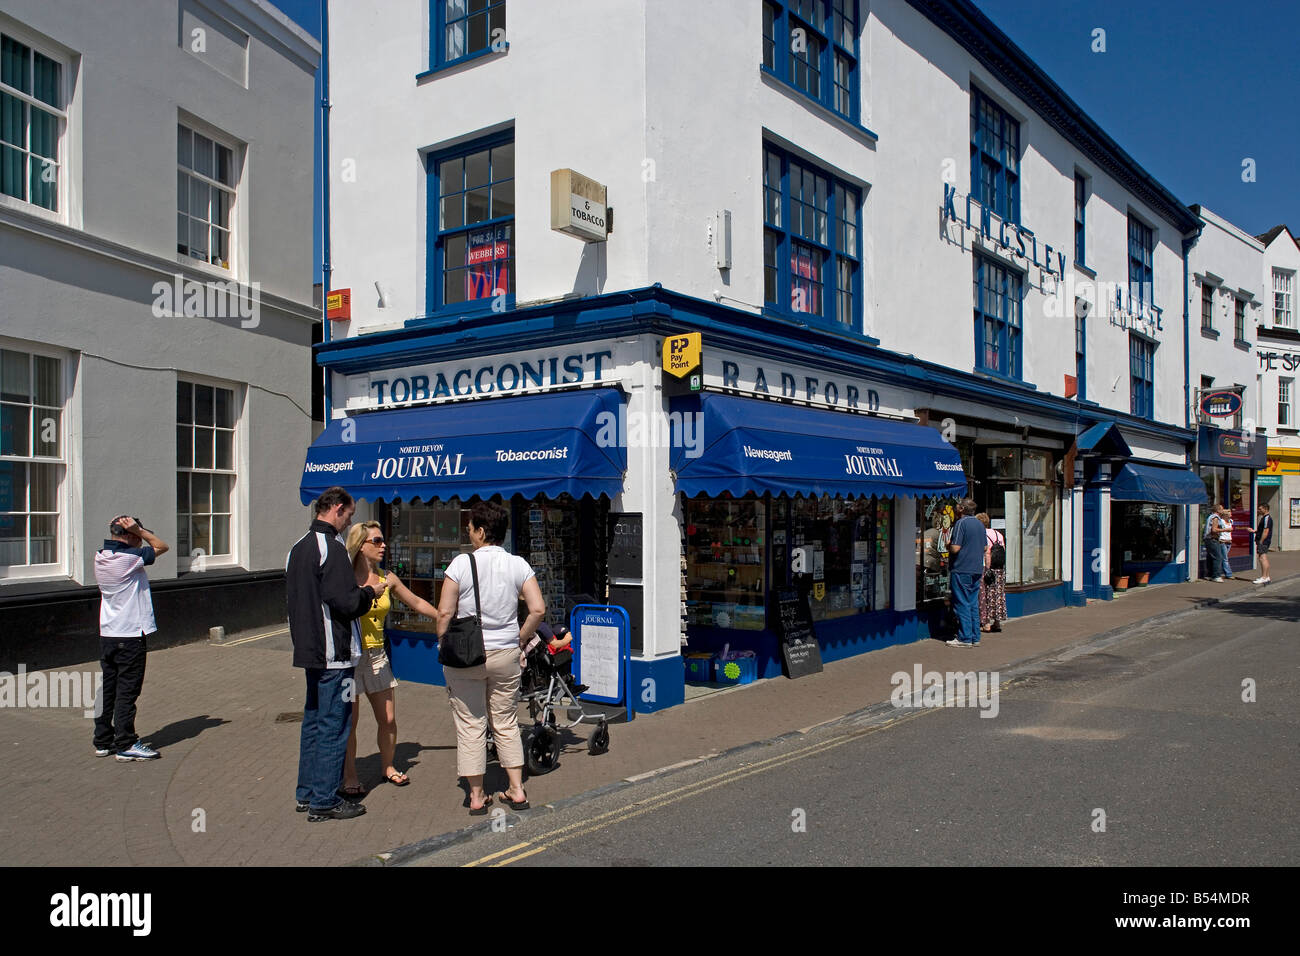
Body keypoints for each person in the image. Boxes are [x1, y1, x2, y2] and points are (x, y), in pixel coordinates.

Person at [436, 500, 546, 814]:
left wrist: (443, 643)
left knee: (471, 724)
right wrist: (519, 638)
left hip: (467, 656)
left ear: (482, 532)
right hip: (506, 653)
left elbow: (445, 611)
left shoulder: (460, 565)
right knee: (506, 723)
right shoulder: (518, 565)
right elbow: (537, 609)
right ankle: (516, 789)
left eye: (470, 528)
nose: (468, 533)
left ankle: (476, 795)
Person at [286, 487, 385, 822]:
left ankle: (308, 793)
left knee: (313, 721)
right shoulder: (333, 549)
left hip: (309, 650)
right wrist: (370, 592)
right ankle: (325, 800)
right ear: (338, 509)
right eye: (350, 514)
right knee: (335, 723)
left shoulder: (297, 548)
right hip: (335, 652)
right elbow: (344, 601)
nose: (349, 521)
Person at [339, 520, 438, 795]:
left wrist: (443, 616)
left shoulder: (387, 577)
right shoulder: (345, 578)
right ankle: (349, 776)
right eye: (377, 541)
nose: (384, 546)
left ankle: (388, 767)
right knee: (350, 721)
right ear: (360, 546)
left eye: (384, 541)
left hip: (377, 656)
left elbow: (416, 602)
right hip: (350, 659)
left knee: (389, 719)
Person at [93, 516, 169, 760]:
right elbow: (162, 547)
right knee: (127, 691)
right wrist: (141, 531)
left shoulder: (100, 556)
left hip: (108, 633)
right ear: (130, 535)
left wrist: (131, 531)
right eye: (137, 534)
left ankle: (103, 741)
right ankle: (126, 744)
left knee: (109, 689)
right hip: (130, 633)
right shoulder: (130, 559)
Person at [944, 498, 985, 647]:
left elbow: (955, 548)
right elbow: (985, 548)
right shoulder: (980, 524)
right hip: (976, 568)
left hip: (962, 568)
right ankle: (975, 637)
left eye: (957, 506)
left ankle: (965, 638)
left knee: (962, 603)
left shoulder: (961, 523)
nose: (956, 507)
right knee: (972, 603)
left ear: (961, 509)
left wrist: (949, 545)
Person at [976, 513, 1007, 634]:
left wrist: (987, 569)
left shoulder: (982, 534)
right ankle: (997, 622)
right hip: (999, 568)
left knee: (985, 595)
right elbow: (1003, 549)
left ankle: (986, 623)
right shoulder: (997, 533)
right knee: (998, 595)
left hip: (988, 568)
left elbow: (987, 553)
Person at [1254, 503, 1273, 584]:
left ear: (1265, 509)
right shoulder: (1265, 518)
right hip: (1265, 541)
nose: (1259, 510)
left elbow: (1266, 531)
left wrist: (1261, 542)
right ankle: (1267, 576)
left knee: (1262, 558)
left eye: (1260, 509)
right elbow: (1262, 530)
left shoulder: (1267, 518)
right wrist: (1254, 531)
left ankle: (1264, 577)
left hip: (1263, 541)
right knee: (1263, 558)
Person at [1215, 505, 1235, 582]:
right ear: (1226, 515)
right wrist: (1226, 529)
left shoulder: (1231, 521)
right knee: (1225, 559)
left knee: (1223, 558)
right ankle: (1228, 574)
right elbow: (1217, 529)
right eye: (1230, 514)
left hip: (1229, 541)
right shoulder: (1221, 521)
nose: (1231, 515)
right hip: (1222, 541)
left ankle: (1219, 572)